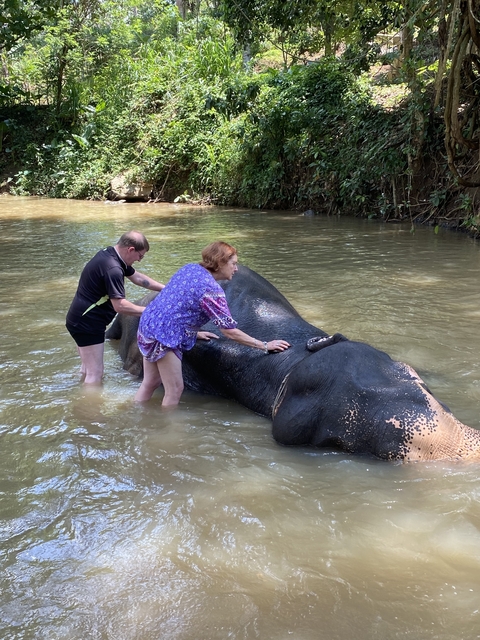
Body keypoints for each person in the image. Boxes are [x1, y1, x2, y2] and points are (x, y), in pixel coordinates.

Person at [134, 241, 291, 406]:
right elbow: (229, 331)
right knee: (174, 390)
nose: (236, 269)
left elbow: (176, 305)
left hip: (148, 324)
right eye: (233, 264)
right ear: (220, 262)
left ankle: (137, 415)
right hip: (165, 336)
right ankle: (168, 431)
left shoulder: (190, 268)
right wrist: (265, 345)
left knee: (150, 382)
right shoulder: (212, 291)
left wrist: (194, 332)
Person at [66, 230, 165, 385]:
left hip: (78, 319)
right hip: (88, 324)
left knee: (87, 369)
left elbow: (138, 278)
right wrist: (151, 313)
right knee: (95, 374)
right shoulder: (113, 269)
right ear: (130, 249)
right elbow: (120, 306)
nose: (140, 260)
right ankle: (89, 408)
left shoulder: (110, 255)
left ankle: (80, 397)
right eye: (140, 256)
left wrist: (167, 289)